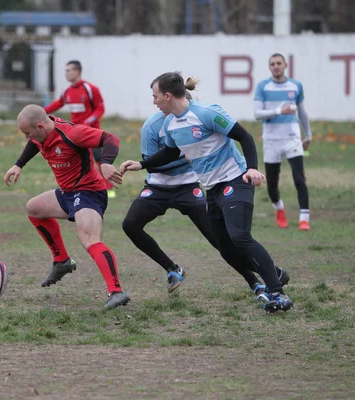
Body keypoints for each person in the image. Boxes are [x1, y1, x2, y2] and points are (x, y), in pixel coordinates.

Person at [120, 72, 293, 313]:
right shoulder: (171, 124)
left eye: (155, 96)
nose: (153, 101)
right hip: (211, 189)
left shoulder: (207, 113)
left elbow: (244, 136)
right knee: (227, 251)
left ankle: (276, 292)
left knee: (240, 236)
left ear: (168, 96)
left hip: (235, 179)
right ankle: (276, 275)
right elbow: (169, 153)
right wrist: (141, 164)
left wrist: (252, 168)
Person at [3, 104, 130, 310]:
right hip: (67, 193)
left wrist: (105, 162)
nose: (27, 138)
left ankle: (116, 291)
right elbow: (36, 143)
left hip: (89, 193)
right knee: (33, 208)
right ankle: (61, 261)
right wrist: (18, 164)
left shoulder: (73, 134)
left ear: (40, 127)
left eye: (28, 133)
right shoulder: (42, 135)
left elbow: (110, 139)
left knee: (89, 238)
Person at [254, 53, 313, 231]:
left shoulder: (296, 86)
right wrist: (280, 110)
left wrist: (308, 135)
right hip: (271, 139)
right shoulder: (263, 87)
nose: (276, 66)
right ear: (269, 67)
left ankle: (304, 218)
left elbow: (302, 112)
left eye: (279, 63)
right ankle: (279, 208)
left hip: (292, 138)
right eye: (272, 64)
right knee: (272, 183)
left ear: (285, 65)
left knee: (299, 178)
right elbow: (257, 114)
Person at [43, 60, 116, 198]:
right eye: (65, 71)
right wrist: (42, 112)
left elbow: (100, 108)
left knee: (100, 159)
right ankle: (80, 187)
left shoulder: (90, 88)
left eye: (69, 70)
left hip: (90, 132)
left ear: (78, 71)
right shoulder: (67, 91)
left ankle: (109, 188)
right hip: (74, 134)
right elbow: (59, 103)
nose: (66, 73)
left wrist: (87, 121)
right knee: (79, 162)